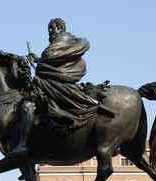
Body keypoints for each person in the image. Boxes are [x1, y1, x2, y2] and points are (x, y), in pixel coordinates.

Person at [7, 18, 99, 158]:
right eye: (48, 29)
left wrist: (39, 62)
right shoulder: (71, 42)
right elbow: (52, 62)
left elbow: (48, 58)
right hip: (58, 81)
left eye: (51, 28)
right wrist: (38, 60)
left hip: (55, 84)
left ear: (60, 28)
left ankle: (23, 144)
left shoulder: (62, 40)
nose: (49, 31)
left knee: (28, 105)